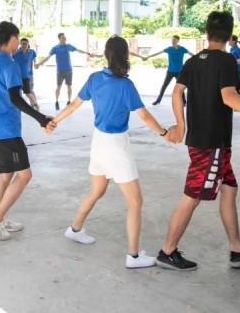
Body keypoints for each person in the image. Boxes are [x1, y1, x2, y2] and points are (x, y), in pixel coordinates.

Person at [158, 12, 240, 272]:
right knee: (192, 196)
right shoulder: (226, 60)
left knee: (229, 188)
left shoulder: (193, 61)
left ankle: (237, 250)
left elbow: (177, 92)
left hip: (208, 141)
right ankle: (167, 251)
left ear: (206, 33)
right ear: (229, 35)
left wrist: (181, 125)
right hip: (211, 142)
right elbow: (229, 97)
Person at [53, 35, 174, 269]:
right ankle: (133, 256)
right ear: (126, 55)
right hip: (116, 146)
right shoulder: (125, 85)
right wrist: (163, 133)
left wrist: (54, 121)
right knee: (135, 202)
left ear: (106, 55)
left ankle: (74, 229)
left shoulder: (94, 78)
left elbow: (74, 104)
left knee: (96, 191)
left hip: (98, 143)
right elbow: (144, 115)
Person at [0, 21, 56, 241]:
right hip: (6, 130)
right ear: (12, 39)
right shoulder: (10, 64)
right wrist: (41, 118)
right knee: (24, 175)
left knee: (6, 175)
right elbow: (15, 98)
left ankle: (0, 218)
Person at [35, 32, 91, 110]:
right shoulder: (55, 48)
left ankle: (69, 101)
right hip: (60, 71)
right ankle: (56, 101)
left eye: (65, 37)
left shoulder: (68, 46)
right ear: (59, 39)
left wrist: (87, 53)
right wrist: (39, 64)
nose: (64, 39)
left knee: (69, 86)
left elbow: (78, 50)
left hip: (69, 70)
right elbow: (47, 58)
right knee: (58, 87)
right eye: (62, 38)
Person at [142, 35, 192, 106]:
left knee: (180, 86)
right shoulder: (169, 49)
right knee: (164, 85)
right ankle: (158, 100)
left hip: (179, 71)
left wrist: (199, 59)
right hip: (170, 71)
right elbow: (158, 53)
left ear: (178, 41)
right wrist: (147, 57)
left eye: (174, 40)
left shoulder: (182, 49)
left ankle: (184, 101)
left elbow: (192, 55)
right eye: (172, 40)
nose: (172, 41)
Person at [12, 38, 39, 110]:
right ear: (20, 44)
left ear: (28, 44)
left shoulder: (31, 52)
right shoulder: (15, 52)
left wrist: (35, 63)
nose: (24, 45)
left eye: (25, 44)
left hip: (28, 75)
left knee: (29, 91)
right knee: (18, 92)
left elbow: (34, 58)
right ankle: (20, 107)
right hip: (17, 76)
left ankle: (34, 106)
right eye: (22, 44)